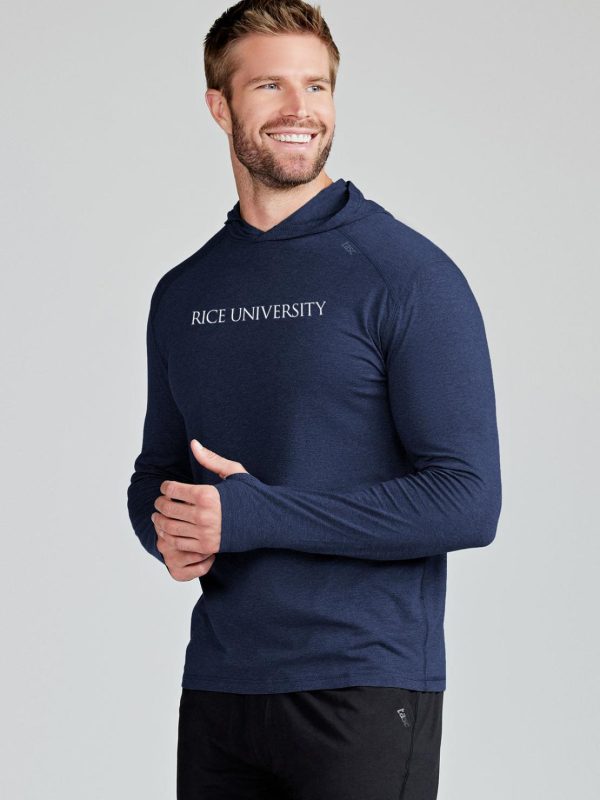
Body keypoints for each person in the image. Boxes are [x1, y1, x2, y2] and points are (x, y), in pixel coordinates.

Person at [126, 1, 502, 797]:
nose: (301, 109)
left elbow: (468, 501)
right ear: (220, 106)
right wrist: (166, 530)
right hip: (222, 685)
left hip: (362, 686)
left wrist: (257, 516)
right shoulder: (185, 292)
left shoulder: (407, 276)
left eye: (318, 86)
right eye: (271, 85)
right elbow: (157, 470)